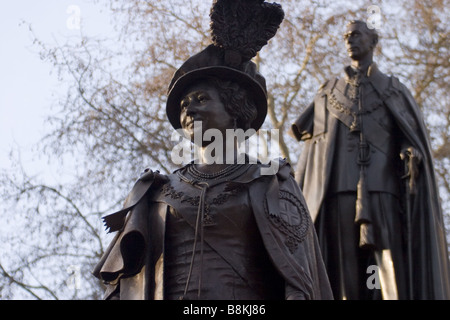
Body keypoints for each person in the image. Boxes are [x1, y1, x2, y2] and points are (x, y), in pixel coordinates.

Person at [93, 0, 332, 300]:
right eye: (184, 104)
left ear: (235, 110)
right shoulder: (155, 192)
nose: (189, 108)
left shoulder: (271, 181)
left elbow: (299, 281)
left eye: (201, 98)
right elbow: (124, 287)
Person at [290, 20, 450, 300]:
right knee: (343, 267)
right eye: (346, 36)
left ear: (372, 41)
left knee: (390, 264)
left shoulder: (393, 88)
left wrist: (411, 152)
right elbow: (307, 137)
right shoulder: (328, 92)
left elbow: (409, 134)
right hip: (338, 189)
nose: (350, 40)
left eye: (356, 35)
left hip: (383, 187)